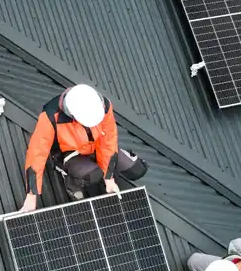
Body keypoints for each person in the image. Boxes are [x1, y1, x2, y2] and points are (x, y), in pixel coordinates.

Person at [20, 84, 147, 212]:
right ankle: (70, 179)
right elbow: (36, 154)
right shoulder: (51, 116)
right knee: (93, 175)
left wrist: (109, 178)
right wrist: (31, 195)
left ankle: (104, 170)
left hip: (96, 147)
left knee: (137, 169)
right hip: (71, 153)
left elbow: (108, 141)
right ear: (73, 115)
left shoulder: (103, 106)